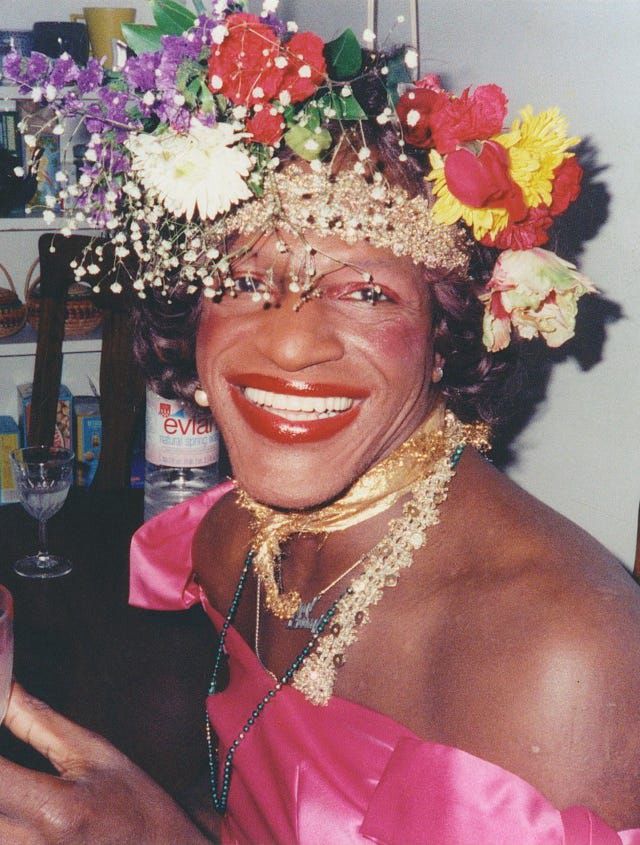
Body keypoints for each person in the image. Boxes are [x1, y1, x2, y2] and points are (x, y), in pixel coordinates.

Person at [1, 4, 640, 843]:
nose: (291, 342)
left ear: (445, 337)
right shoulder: (236, 538)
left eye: (366, 290)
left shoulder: (567, 655)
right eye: (239, 280)